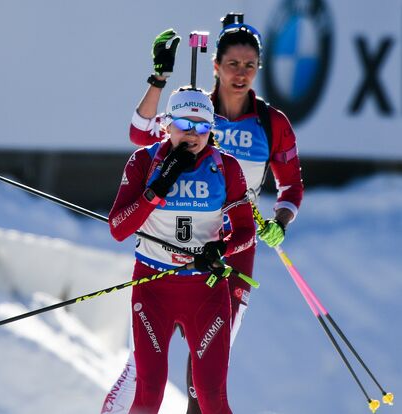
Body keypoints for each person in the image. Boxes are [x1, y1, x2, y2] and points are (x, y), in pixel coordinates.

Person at [103, 13, 304, 414]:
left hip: (230, 250)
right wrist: (159, 79)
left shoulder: (270, 122)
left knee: (205, 378)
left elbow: (291, 187)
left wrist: (280, 221)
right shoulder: (194, 108)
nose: (241, 73)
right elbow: (140, 135)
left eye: (250, 65)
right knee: (143, 374)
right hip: (164, 254)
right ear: (215, 65)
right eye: (233, 64)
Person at [104, 87, 255, 414]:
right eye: (185, 124)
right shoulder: (144, 161)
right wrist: (157, 189)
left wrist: (220, 249)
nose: (193, 134)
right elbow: (118, 228)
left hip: (205, 291)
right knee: (150, 390)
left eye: (202, 127)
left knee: (211, 396)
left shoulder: (225, 167)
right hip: (152, 286)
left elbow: (246, 229)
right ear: (167, 124)